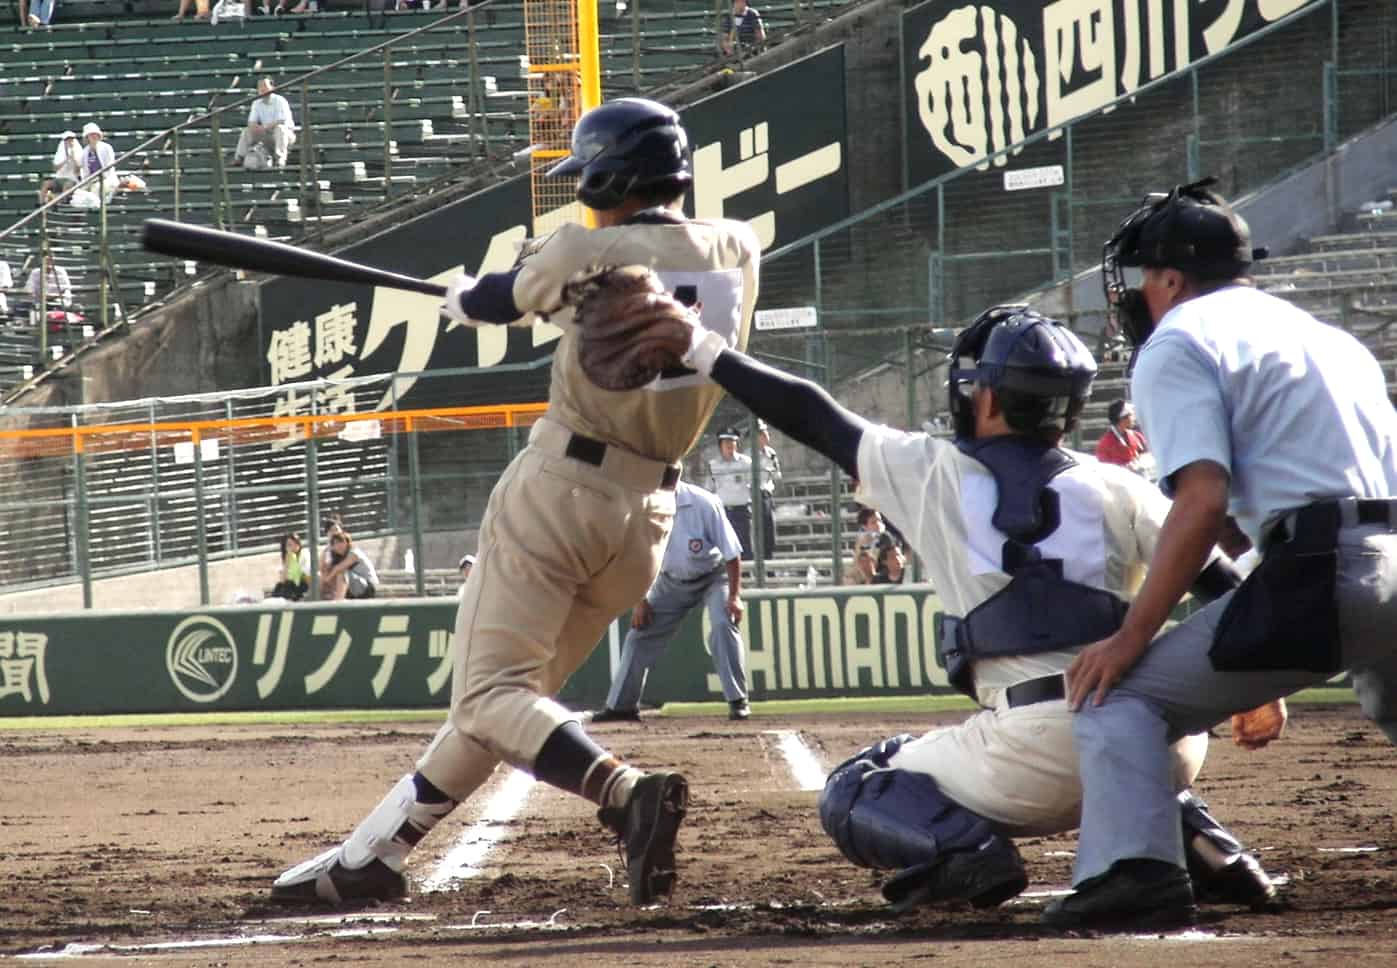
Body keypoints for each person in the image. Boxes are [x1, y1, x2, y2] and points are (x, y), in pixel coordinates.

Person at [270, 97, 759, 908]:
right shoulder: (737, 247)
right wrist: (498, 291)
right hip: (650, 518)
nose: (583, 193)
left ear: (612, 174)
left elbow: (509, 296)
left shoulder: (584, 244)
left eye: (590, 178)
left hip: (561, 493)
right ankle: (373, 857)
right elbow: (579, 289)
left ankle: (623, 791)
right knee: (505, 706)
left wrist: (468, 297)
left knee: (490, 696)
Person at [666, 300, 1275, 913]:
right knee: (1128, 746)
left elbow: (810, 414)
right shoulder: (1119, 484)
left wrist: (701, 347)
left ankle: (971, 856)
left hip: (1033, 756)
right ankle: (1209, 847)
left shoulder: (930, 471)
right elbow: (1223, 585)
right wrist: (1257, 690)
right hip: (1163, 745)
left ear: (984, 399)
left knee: (859, 784)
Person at [1039, 177, 1397, 930]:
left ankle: (1134, 874)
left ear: (1171, 278)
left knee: (1121, 696)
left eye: (1143, 278)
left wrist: (1132, 633)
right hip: (1380, 555)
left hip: (1325, 570)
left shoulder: (1179, 338)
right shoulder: (1324, 336)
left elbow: (1199, 502)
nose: (1138, 293)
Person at [592, 480, 751, 724]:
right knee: (639, 634)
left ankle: (738, 700)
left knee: (722, 625)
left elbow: (732, 553)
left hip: (713, 576)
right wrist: (640, 600)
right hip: (670, 581)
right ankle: (621, 706)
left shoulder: (705, 503)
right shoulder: (642, 506)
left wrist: (734, 597)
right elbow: (637, 558)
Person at [706, 426, 753, 559]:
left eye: (732, 442)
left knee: (745, 546)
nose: (730, 445)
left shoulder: (746, 463)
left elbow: (753, 486)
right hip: (723, 512)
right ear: (720, 445)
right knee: (724, 547)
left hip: (742, 511)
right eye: (726, 443)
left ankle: (747, 577)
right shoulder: (713, 465)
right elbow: (709, 488)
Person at [234, 78, 297, 169]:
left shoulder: (280, 101)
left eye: (265, 86)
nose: (262, 89)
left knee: (280, 129)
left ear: (272, 87)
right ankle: (239, 157)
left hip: (286, 135)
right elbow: (251, 122)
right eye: (260, 87)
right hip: (267, 134)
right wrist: (256, 128)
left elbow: (282, 120)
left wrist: (264, 127)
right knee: (247, 131)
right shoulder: (256, 103)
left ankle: (280, 160)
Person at [1095, 398, 1154, 479]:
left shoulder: (1137, 436)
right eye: (1131, 415)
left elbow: (1149, 457)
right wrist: (1125, 468)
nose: (1134, 418)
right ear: (1122, 418)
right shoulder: (1105, 444)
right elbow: (1103, 471)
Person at [320, 529, 378, 600]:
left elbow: (338, 568)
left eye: (341, 542)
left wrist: (327, 579)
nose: (338, 545)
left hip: (368, 588)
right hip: (354, 588)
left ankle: (337, 603)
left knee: (341, 573)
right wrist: (326, 551)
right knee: (327, 573)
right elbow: (323, 568)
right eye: (335, 543)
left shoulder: (354, 553)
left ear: (347, 542)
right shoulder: (338, 556)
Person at [755, 418, 781, 560]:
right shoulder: (749, 455)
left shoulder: (771, 453)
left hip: (768, 496)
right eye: (762, 433)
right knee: (759, 533)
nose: (766, 435)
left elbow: (777, 475)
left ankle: (769, 561)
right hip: (756, 496)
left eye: (766, 432)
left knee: (770, 532)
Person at [78, 123, 117, 199]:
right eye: (91, 135)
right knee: (79, 192)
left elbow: (109, 166)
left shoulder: (106, 148)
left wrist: (99, 178)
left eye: (95, 134)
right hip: (91, 180)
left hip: (106, 179)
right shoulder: (85, 152)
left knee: (96, 188)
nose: (94, 136)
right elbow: (85, 171)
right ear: (87, 137)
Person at [43, 132, 82, 203]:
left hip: (72, 179)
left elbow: (78, 171)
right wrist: (65, 160)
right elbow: (55, 168)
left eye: (71, 140)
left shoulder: (79, 152)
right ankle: (41, 206)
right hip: (59, 178)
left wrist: (73, 159)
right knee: (46, 184)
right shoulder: (60, 152)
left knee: (67, 185)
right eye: (67, 140)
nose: (69, 142)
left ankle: (56, 200)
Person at [271, 531, 311, 600]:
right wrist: (287, 561)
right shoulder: (289, 557)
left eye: (296, 542)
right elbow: (283, 580)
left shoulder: (304, 553)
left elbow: (305, 575)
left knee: (288, 585)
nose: (295, 545)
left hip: (303, 584)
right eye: (289, 545)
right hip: (292, 586)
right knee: (279, 586)